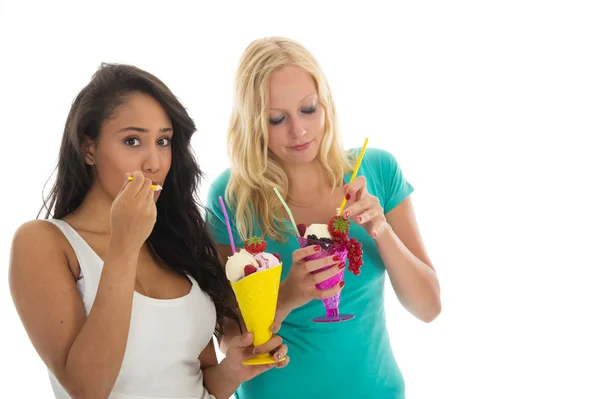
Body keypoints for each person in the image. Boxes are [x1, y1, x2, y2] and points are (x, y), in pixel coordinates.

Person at [8, 63, 288, 399]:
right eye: (132, 140)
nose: (154, 163)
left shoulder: (176, 240)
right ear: (89, 149)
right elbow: (87, 389)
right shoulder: (44, 243)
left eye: (164, 141)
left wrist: (233, 370)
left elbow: (196, 378)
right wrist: (124, 244)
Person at [206, 37, 441, 398]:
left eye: (309, 109)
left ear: (326, 104)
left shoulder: (375, 169)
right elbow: (230, 338)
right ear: (253, 123)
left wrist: (380, 228)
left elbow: (428, 307)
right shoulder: (232, 196)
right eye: (277, 119)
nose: (298, 130)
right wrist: (287, 296)